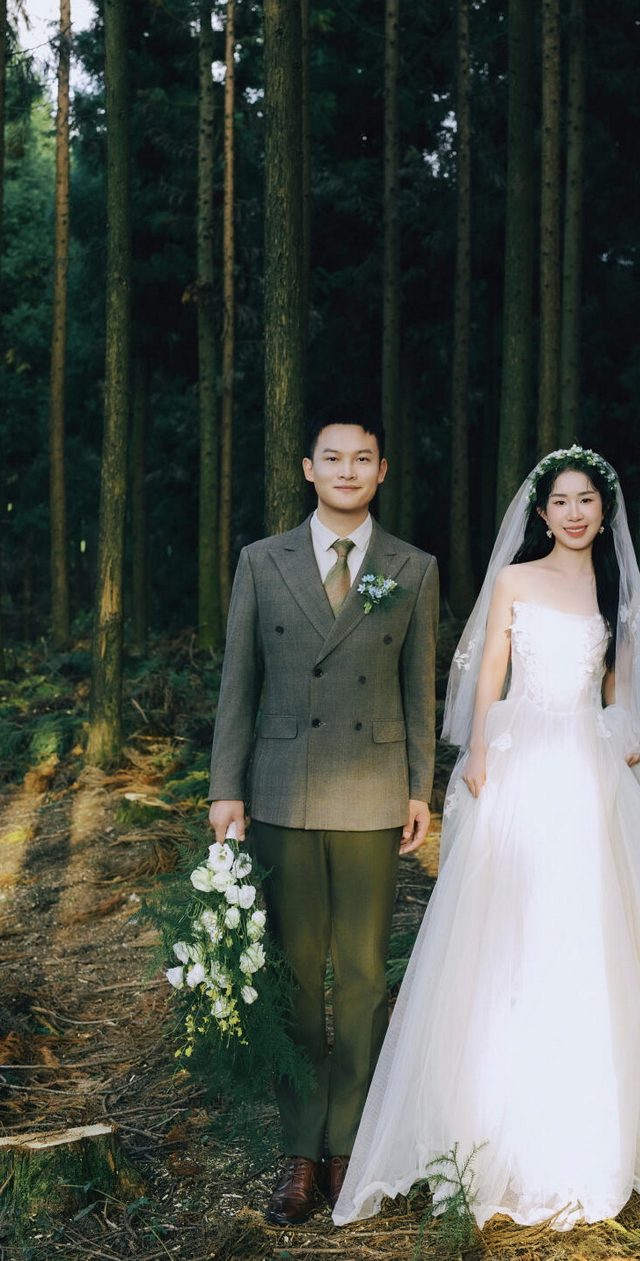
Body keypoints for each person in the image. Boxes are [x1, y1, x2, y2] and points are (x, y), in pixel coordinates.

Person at [334, 445, 640, 1232]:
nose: (574, 513)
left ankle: (596, 1123)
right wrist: (480, 750)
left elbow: (621, 678)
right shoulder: (516, 579)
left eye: (586, 501)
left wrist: (626, 731)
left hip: (587, 761)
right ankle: (497, 1123)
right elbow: (491, 669)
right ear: (542, 514)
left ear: (602, 512)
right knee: (507, 932)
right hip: (522, 756)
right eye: (561, 502)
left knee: (595, 927)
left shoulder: (613, 588)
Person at [207, 410, 439, 1224]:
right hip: (282, 788)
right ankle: (300, 1149)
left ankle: (348, 1143)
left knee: (366, 977)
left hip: (373, 790)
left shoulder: (411, 567)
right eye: (332, 457)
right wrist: (225, 786)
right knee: (297, 978)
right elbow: (239, 681)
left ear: (382, 471)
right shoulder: (261, 560)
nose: (347, 470)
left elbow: (419, 687)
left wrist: (420, 786)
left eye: (362, 458)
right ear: (308, 468)